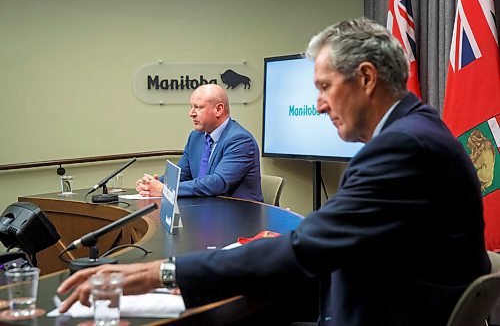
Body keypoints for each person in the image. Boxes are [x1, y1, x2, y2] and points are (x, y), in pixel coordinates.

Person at [57, 18, 490, 326]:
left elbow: (307, 249)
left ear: (366, 78)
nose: (319, 104)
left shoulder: (402, 147)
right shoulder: (416, 128)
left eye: (324, 87)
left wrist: (163, 273)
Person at [136, 83, 263, 202]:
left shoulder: (240, 140)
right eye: (191, 107)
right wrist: (153, 184)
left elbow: (218, 183)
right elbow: (183, 174)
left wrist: (165, 189)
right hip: (205, 210)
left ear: (218, 109)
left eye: (197, 107)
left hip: (239, 217)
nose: (191, 113)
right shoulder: (196, 137)